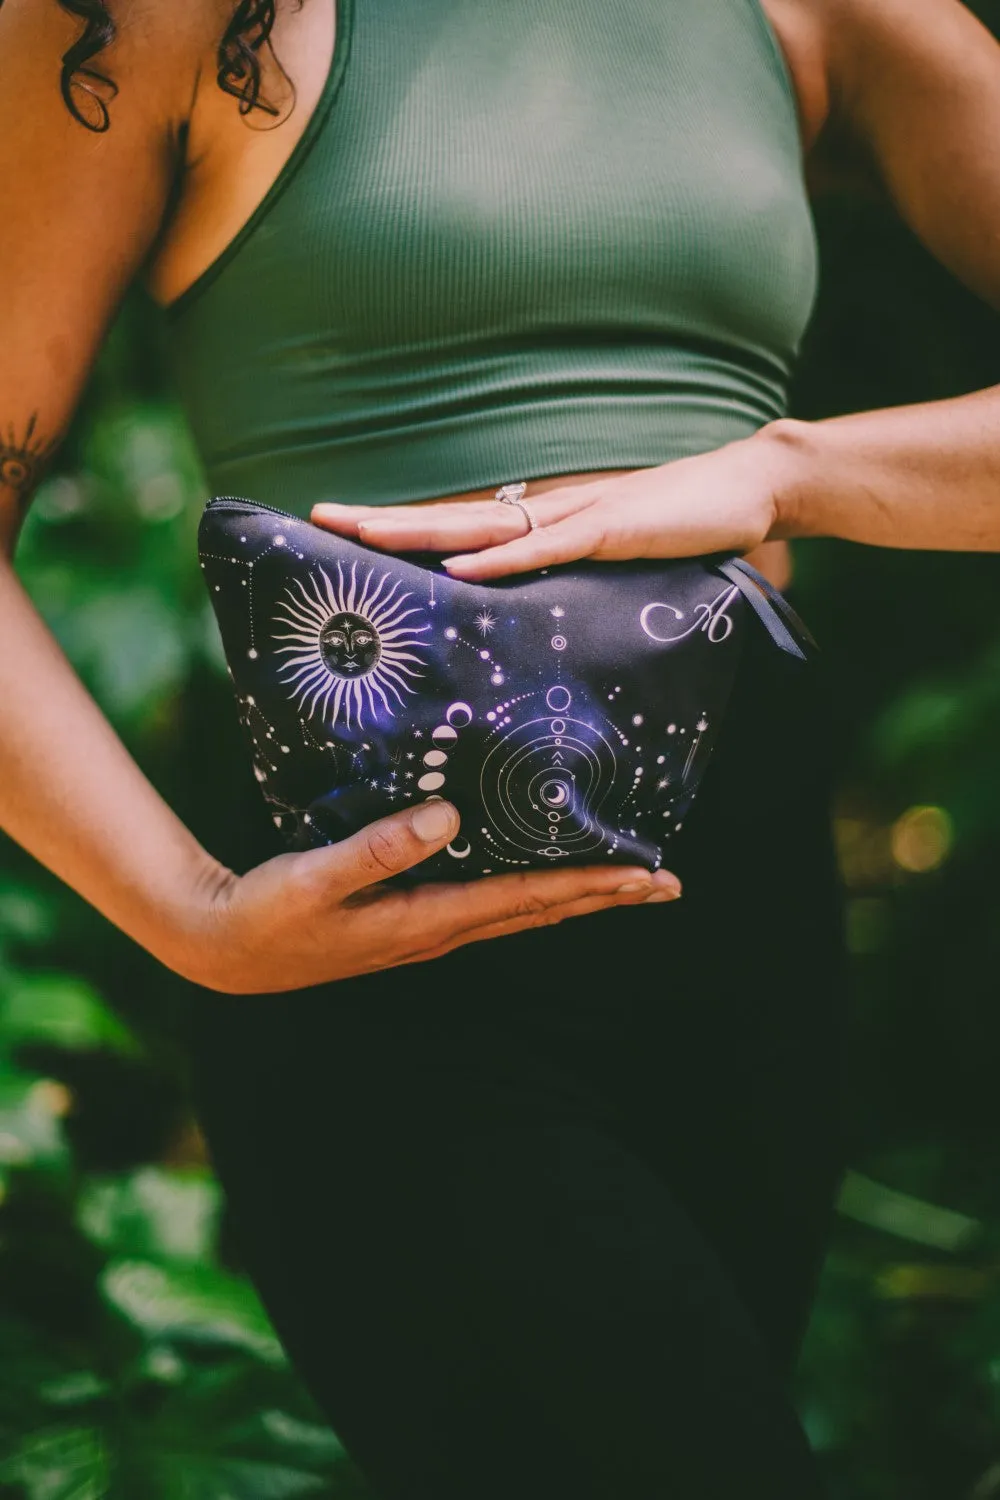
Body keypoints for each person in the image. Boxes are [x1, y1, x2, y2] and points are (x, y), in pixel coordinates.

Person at [3, 1, 999, 1496]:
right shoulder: (155, 20)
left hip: (741, 933)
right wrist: (187, 916)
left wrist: (788, 471)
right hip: (381, 957)